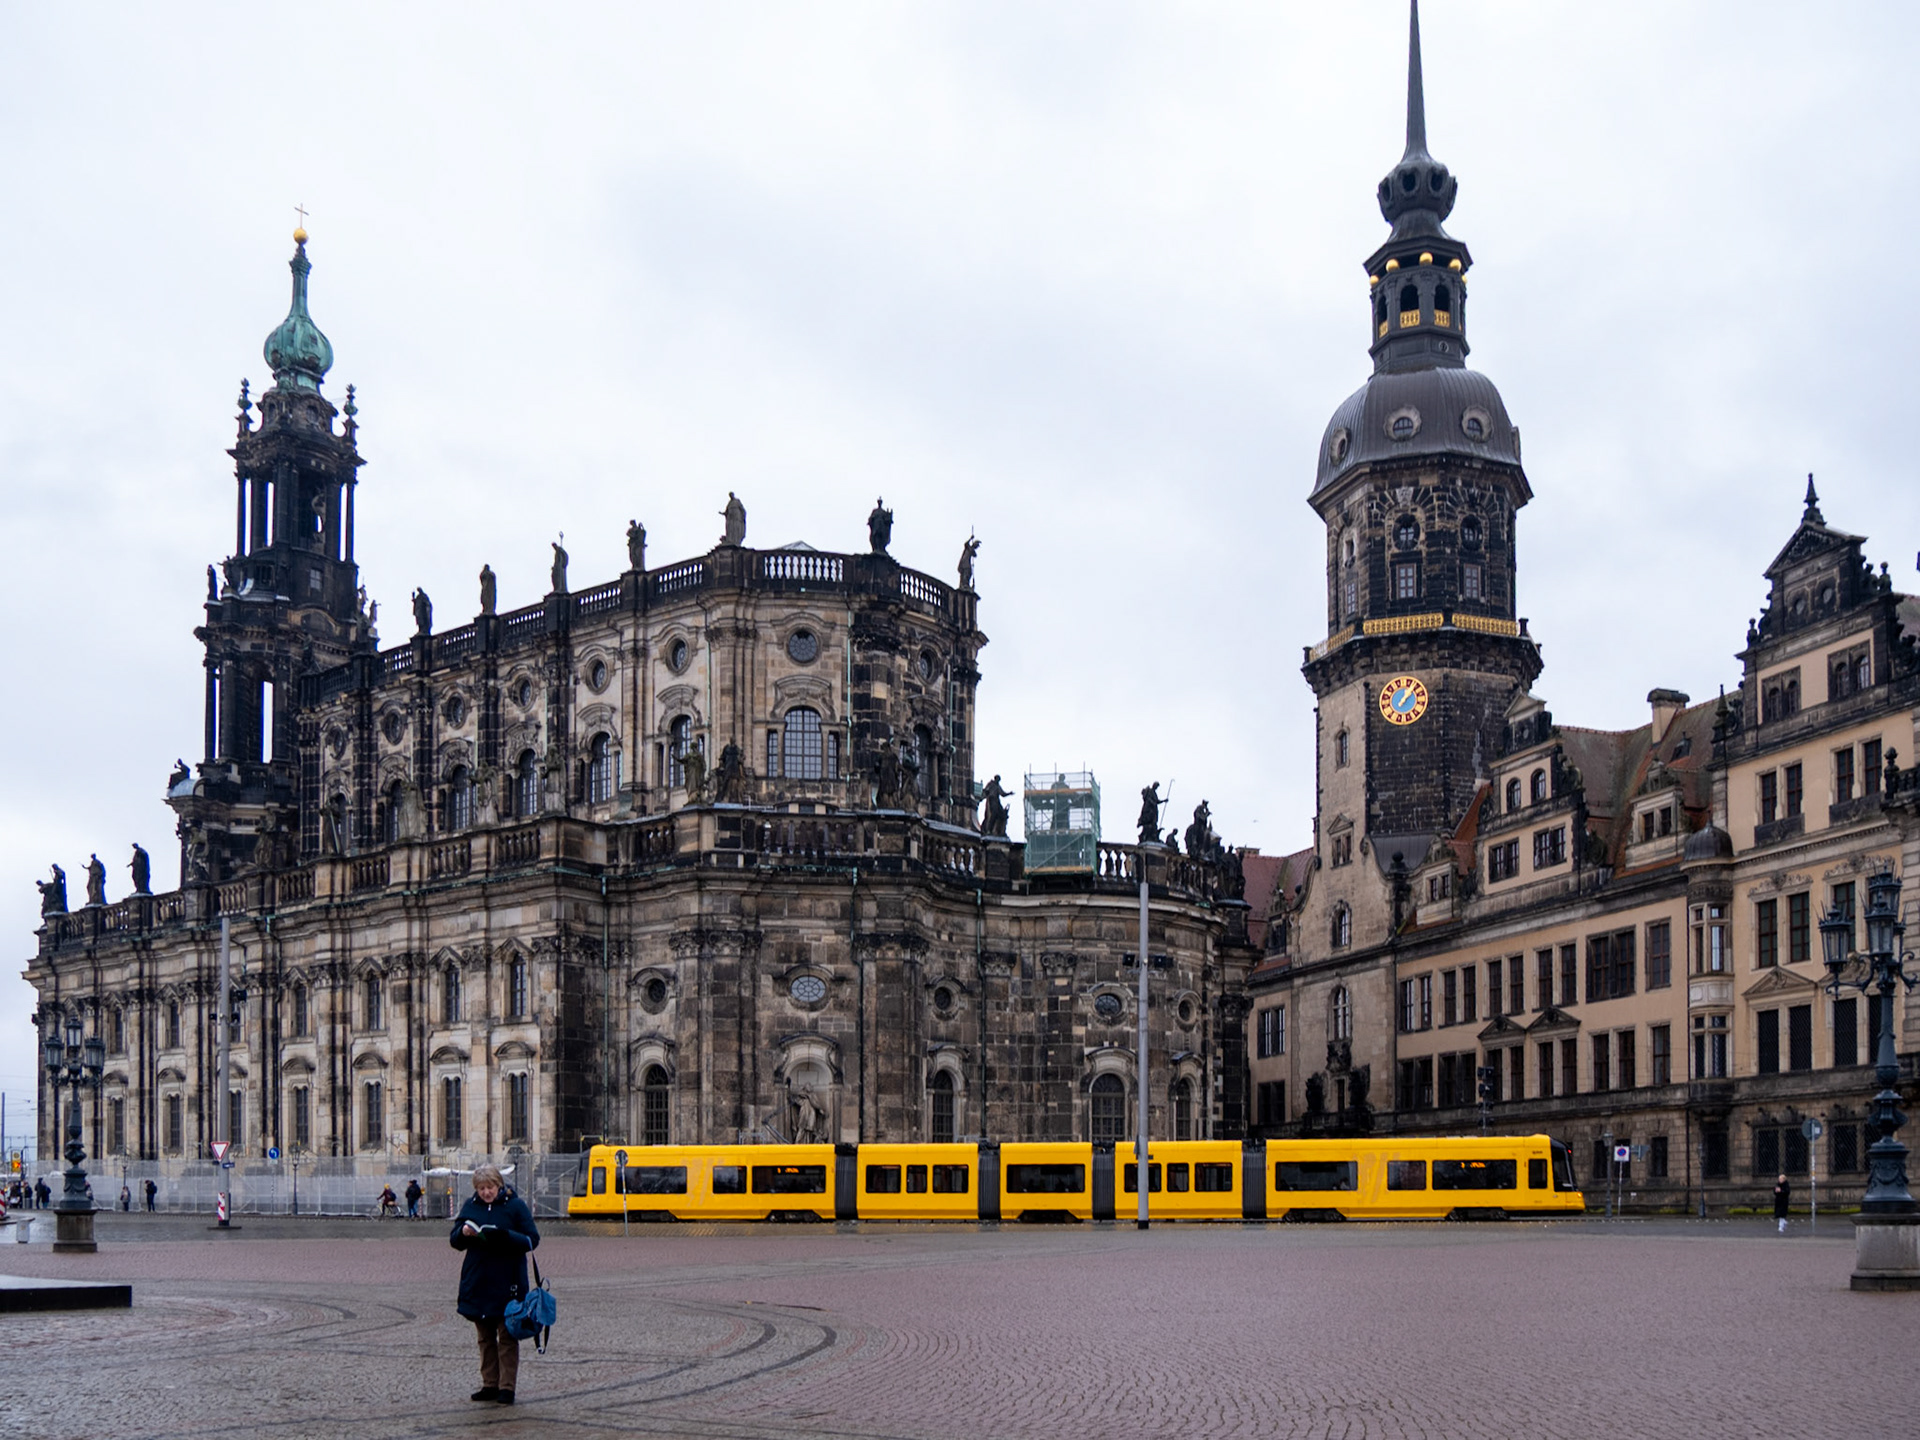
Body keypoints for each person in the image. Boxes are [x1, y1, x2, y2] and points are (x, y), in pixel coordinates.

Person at [451, 1163, 539, 1406]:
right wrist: (463, 1233)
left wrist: (507, 1236)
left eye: (489, 1187)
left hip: (508, 1280)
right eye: (481, 1189)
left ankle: (506, 1387)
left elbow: (532, 1239)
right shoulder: (470, 1206)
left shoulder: (516, 1206)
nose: (486, 1192)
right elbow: (454, 1240)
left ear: (499, 1185)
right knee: (485, 1337)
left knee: (507, 1335)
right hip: (478, 1280)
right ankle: (489, 1383)